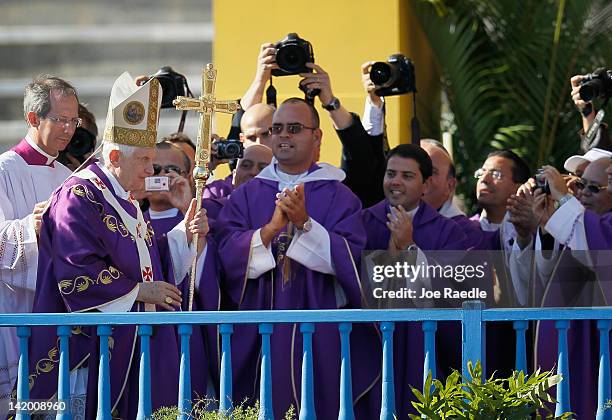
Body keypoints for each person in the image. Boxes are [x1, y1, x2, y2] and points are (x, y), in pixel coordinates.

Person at [27, 73, 209, 419]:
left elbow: (147, 261)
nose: (151, 169)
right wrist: (140, 291)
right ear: (113, 155)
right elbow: (76, 272)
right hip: (86, 349)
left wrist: (185, 233)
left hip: (133, 342)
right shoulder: (79, 195)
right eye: (143, 160)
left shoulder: (122, 197)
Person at [216, 98, 380, 419]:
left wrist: (305, 224)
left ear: (317, 137)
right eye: (276, 129)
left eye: (294, 128)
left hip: (321, 329)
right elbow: (225, 254)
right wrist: (270, 230)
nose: (283, 136)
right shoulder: (248, 193)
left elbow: (353, 260)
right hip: (260, 327)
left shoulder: (339, 195)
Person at [360, 143, 468, 419]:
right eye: (390, 173)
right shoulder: (363, 221)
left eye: (407, 176)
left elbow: (448, 288)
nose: (395, 181)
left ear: (426, 184)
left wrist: (409, 247)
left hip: (425, 343)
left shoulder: (448, 231)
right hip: (371, 342)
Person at [0, 75, 78, 414]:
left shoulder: (68, 177)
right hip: (14, 314)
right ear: (34, 118)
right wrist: (30, 229)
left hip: (54, 313)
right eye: (61, 119)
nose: (70, 129)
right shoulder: (5, 170)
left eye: (73, 120)